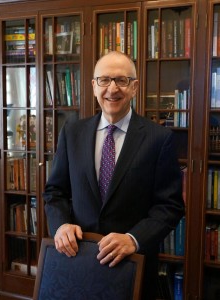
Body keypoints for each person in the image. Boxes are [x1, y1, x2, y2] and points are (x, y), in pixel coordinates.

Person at [43, 51, 185, 300]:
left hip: (131, 266)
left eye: (121, 80)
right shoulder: (72, 133)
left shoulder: (159, 139)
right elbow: (55, 192)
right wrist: (60, 224)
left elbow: (169, 206)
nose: (112, 89)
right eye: (104, 80)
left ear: (135, 87)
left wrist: (134, 238)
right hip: (78, 263)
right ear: (94, 86)